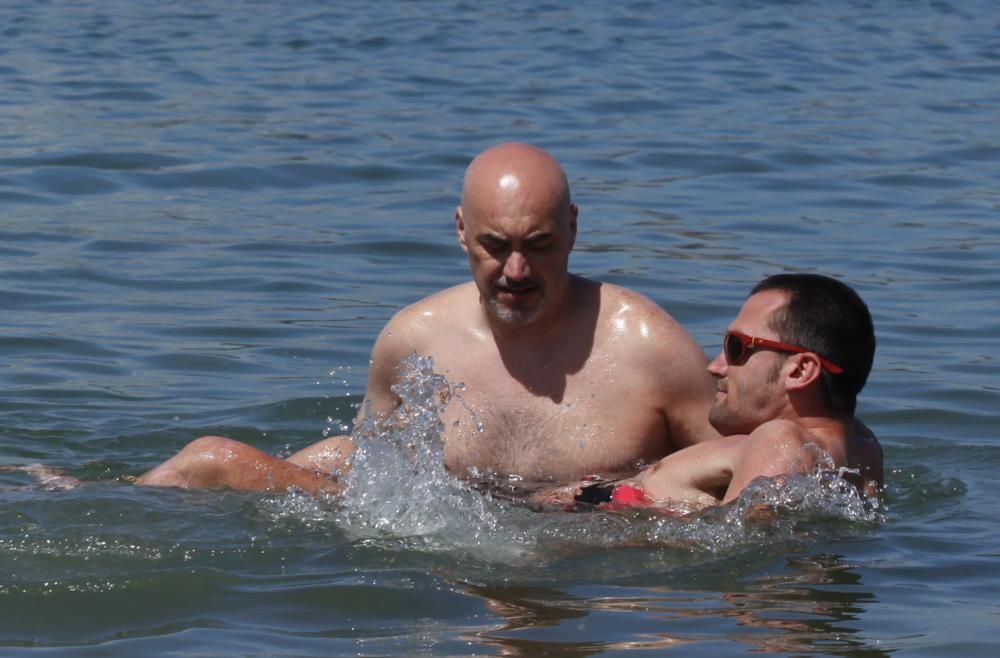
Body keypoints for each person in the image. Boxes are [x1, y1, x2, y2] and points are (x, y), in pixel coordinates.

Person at [136, 143, 720, 494]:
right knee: (210, 459)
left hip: (597, 569)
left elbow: (745, 472)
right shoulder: (414, 339)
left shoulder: (649, 347)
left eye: (539, 244)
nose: (517, 270)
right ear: (462, 230)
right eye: (495, 245)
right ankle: (102, 497)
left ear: (573, 227)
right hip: (456, 575)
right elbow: (371, 477)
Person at [567, 273, 883, 512]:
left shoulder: (780, 440)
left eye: (736, 348)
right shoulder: (864, 446)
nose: (715, 366)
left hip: (578, 519)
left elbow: (745, 563)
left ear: (800, 371)